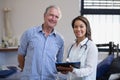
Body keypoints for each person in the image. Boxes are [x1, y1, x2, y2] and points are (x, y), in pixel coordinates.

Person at [17, 5, 64, 80]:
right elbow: (20, 55)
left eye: (56, 17)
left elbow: (59, 63)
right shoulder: (29, 33)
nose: (53, 19)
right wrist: (27, 72)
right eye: (51, 15)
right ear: (44, 16)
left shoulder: (60, 39)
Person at [57, 16, 98, 80]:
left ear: (86, 28)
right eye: (75, 27)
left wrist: (73, 70)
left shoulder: (91, 46)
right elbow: (68, 65)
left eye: (81, 26)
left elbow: (90, 69)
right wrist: (65, 70)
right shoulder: (71, 46)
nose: (78, 29)